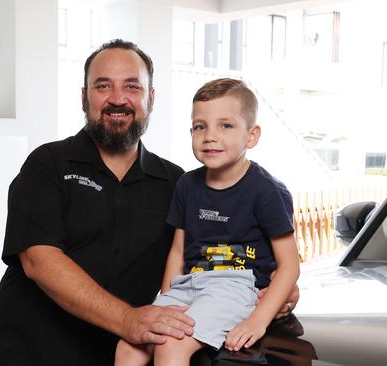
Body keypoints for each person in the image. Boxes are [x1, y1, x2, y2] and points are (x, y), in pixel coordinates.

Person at [0, 40, 298, 366]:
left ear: (150, 98)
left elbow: (213, 256)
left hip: (126, 354)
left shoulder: (179, 183)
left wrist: (270, 295)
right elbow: (39, 260)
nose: (118, 98)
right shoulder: (48, 164)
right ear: (83, 97)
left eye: (132, 86)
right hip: (33, 354)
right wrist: (127, 320)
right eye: (103, 86)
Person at [115, 78, 300, 366]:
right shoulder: (187, 184)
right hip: (188, 284)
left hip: (236, 286)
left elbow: (289, 265)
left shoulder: (266, 191)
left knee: (170, 346)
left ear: (251, 136)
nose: (210, 136)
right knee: (130, 345)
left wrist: (258, 322)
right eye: (200, 126)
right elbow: (178, 250)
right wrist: (167, 300)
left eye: (225, 125)